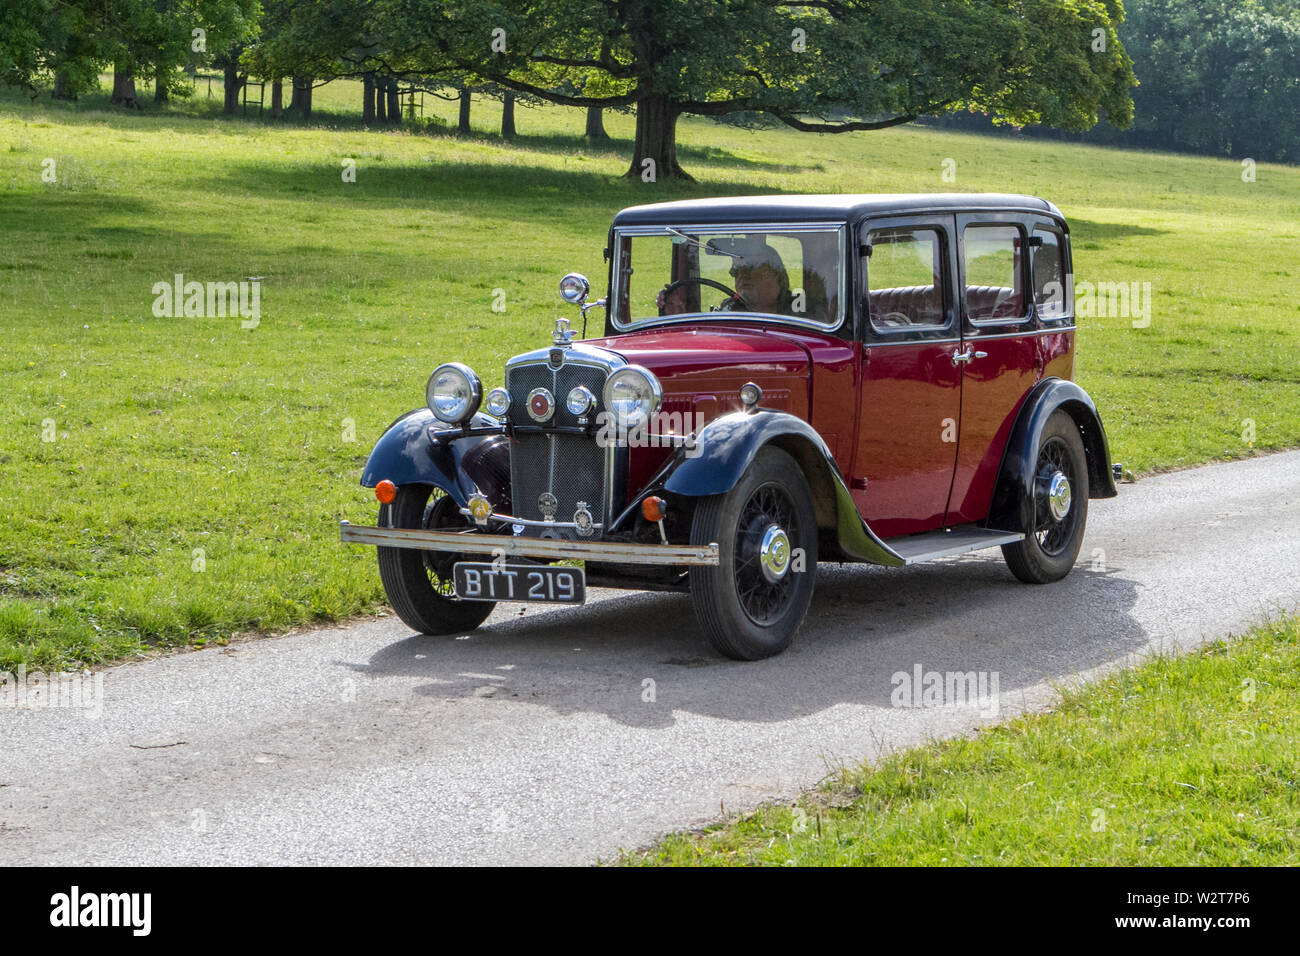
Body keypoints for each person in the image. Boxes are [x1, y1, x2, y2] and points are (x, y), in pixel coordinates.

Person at [656, 242, 794, 316]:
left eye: (752, 268)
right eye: (736, 271)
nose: (743, 276)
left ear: (776, 274)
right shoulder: (728, 310)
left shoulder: (799, 309)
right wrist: (677, 311)